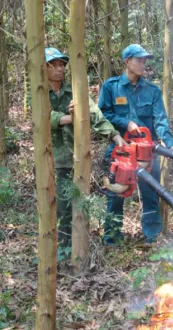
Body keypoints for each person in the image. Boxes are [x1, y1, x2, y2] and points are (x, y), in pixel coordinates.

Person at [44, 47, 126, 248]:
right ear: (43, 69)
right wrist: (70, 118)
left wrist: (114, 135)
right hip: (50, 158)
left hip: (76, 158)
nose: (59, 69)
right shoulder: (39, 92)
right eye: (53, 65)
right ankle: (61, 249)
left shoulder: (74, 90)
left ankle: (79, 246)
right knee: (58, 207)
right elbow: (43, 117)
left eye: (62, 65)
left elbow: (95, 114)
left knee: (80, 204)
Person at [98, 44, 173, 245]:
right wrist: (126, 123)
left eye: (145, 60)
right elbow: (103, 114)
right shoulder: (111, 86)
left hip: (146, 153)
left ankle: (152, 237)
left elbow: (160, 119)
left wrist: (168, 142)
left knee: (150, 193)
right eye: (139, 60)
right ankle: (112, 239)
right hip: (120, 150)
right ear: (127, 61)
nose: (143, 64)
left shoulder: (152, 90)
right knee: (116, 193)